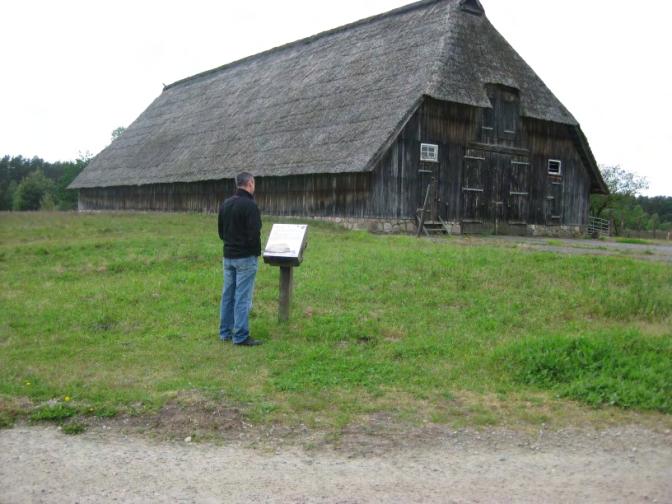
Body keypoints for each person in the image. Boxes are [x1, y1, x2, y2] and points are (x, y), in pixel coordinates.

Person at [218, 172, 263, 346]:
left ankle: (225, 332)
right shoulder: (250, 205)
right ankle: (241, 335)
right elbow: (254, 234)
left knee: (228, 295)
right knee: (242, 297)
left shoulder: (226, 204)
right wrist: (254, 253)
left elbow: (221, 232)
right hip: (245, 258)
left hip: (228, 256)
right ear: (250, 183)